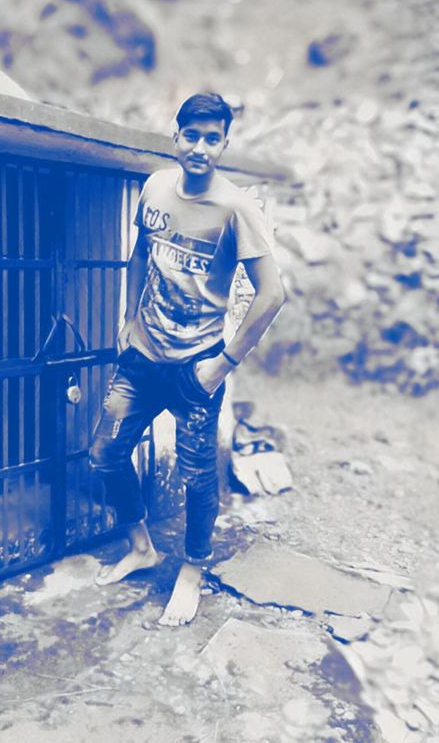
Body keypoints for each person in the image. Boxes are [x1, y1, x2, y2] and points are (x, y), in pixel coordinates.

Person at [90, 92, 286, 626]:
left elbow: (272, 294)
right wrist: (127, 317)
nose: (200, 147)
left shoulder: (236, 209)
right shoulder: (155, 187)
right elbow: (139, 253)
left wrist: (224, 363)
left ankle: (192, 573)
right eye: (191, 136)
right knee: (105, 453)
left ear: (223, 144)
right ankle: (141, 548)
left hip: (196, 369)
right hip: (141, 358)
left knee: (199, 478)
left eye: (212, 139)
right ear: (176, 136)